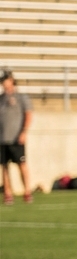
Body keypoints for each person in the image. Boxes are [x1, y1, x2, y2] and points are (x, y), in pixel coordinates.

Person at [1, 69, 34, 205]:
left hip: (16, 137)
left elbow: (28, 114)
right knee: (4, 166)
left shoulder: (21, 98)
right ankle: (8, 193)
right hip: (2, 138)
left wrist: (24, 132)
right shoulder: (1, 99)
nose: (3, 83)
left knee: (22, 164)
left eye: (5, 80)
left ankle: (27, 191)